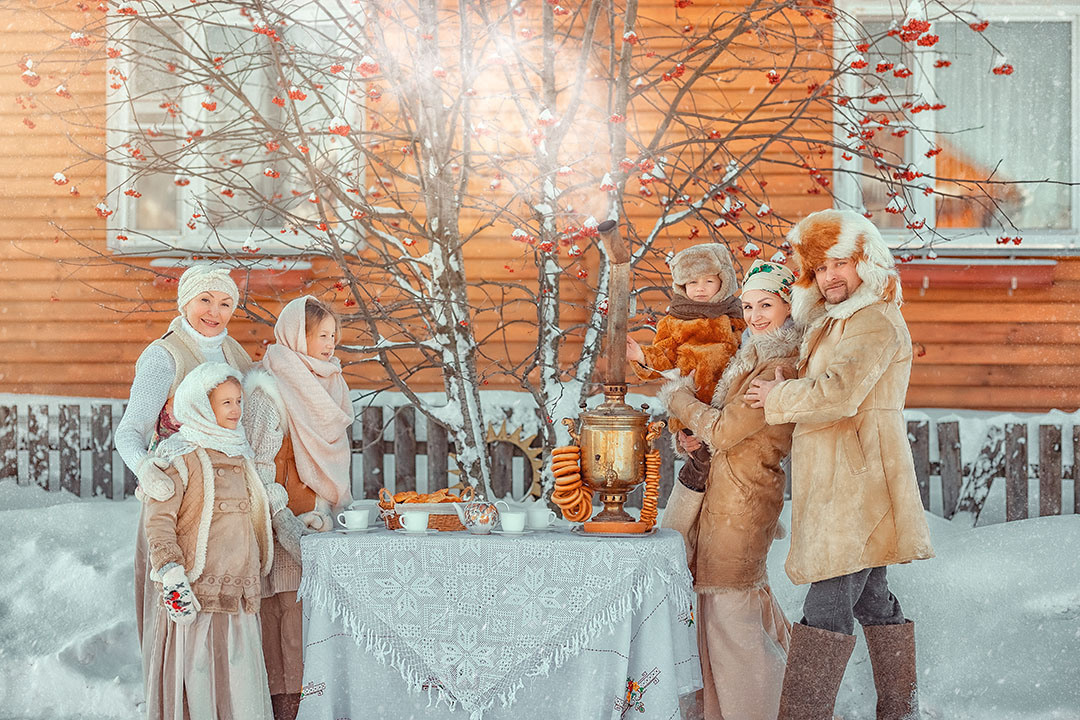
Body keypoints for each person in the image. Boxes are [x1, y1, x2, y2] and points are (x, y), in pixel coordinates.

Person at [745, 209, 935, 720]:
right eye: (819, 267)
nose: (829, 276)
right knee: (873, 601)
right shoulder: (837, 320)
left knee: (825, 608)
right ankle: (901, 711)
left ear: (864, 261)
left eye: (839, 263)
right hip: (843, 480)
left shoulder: (873, 319)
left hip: (858, 484)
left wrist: (780, 395)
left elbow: (840, 393)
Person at [658, 259, 799, 720]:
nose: (755, 315)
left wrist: (677, 398)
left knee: (731, 617)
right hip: (724, 498)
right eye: (749, 305)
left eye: (767, 305)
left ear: (788, 305)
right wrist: (691, 439)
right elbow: (720, 433)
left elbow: (725, 430)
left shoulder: (779, 366)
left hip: (743, 501)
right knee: (722, 612)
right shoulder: (751, 353)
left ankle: (756, 711)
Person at [115, 264, 252, 649]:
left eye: (225, 303)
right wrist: (146, 468)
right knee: (184, 625)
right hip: (178, 504)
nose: (214, 312)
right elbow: (129, 431)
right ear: (185, 302)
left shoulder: (235, 354)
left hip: (228, 512)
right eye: (205, 299)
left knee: (226, 621)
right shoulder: (165, 356)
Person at [141, 362, 274, 720]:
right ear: (201, 405)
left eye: (238, 401)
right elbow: (159, 520)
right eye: (225, 402)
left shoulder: (239, 452)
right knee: (199, 679)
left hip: (238, 593)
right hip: (197, 593)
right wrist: (171, 573)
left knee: (238, 683)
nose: (236, 410)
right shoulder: (180, 457)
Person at [244, 295, 354, 720]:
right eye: (320, 336)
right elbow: (259, 468)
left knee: (320, 636)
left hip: (323, 530)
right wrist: (288, 527)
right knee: (288, 636)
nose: (330, 344)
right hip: (285, 534)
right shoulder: (267, 390)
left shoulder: (330, 385)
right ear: (296, 336)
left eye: (333, 335)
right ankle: (288, 712)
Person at [626, 242, 746, 490]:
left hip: (728, 409)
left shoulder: (736, 316)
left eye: (708, 281)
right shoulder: (674, 321)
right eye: (692, 282)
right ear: (682, 286)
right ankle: (690, 507)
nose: (700, 288)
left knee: (729, 475)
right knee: (700, 473)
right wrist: (642, 356)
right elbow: (664, 357)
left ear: (723, 282)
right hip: (690, 408)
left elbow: (747, 350)